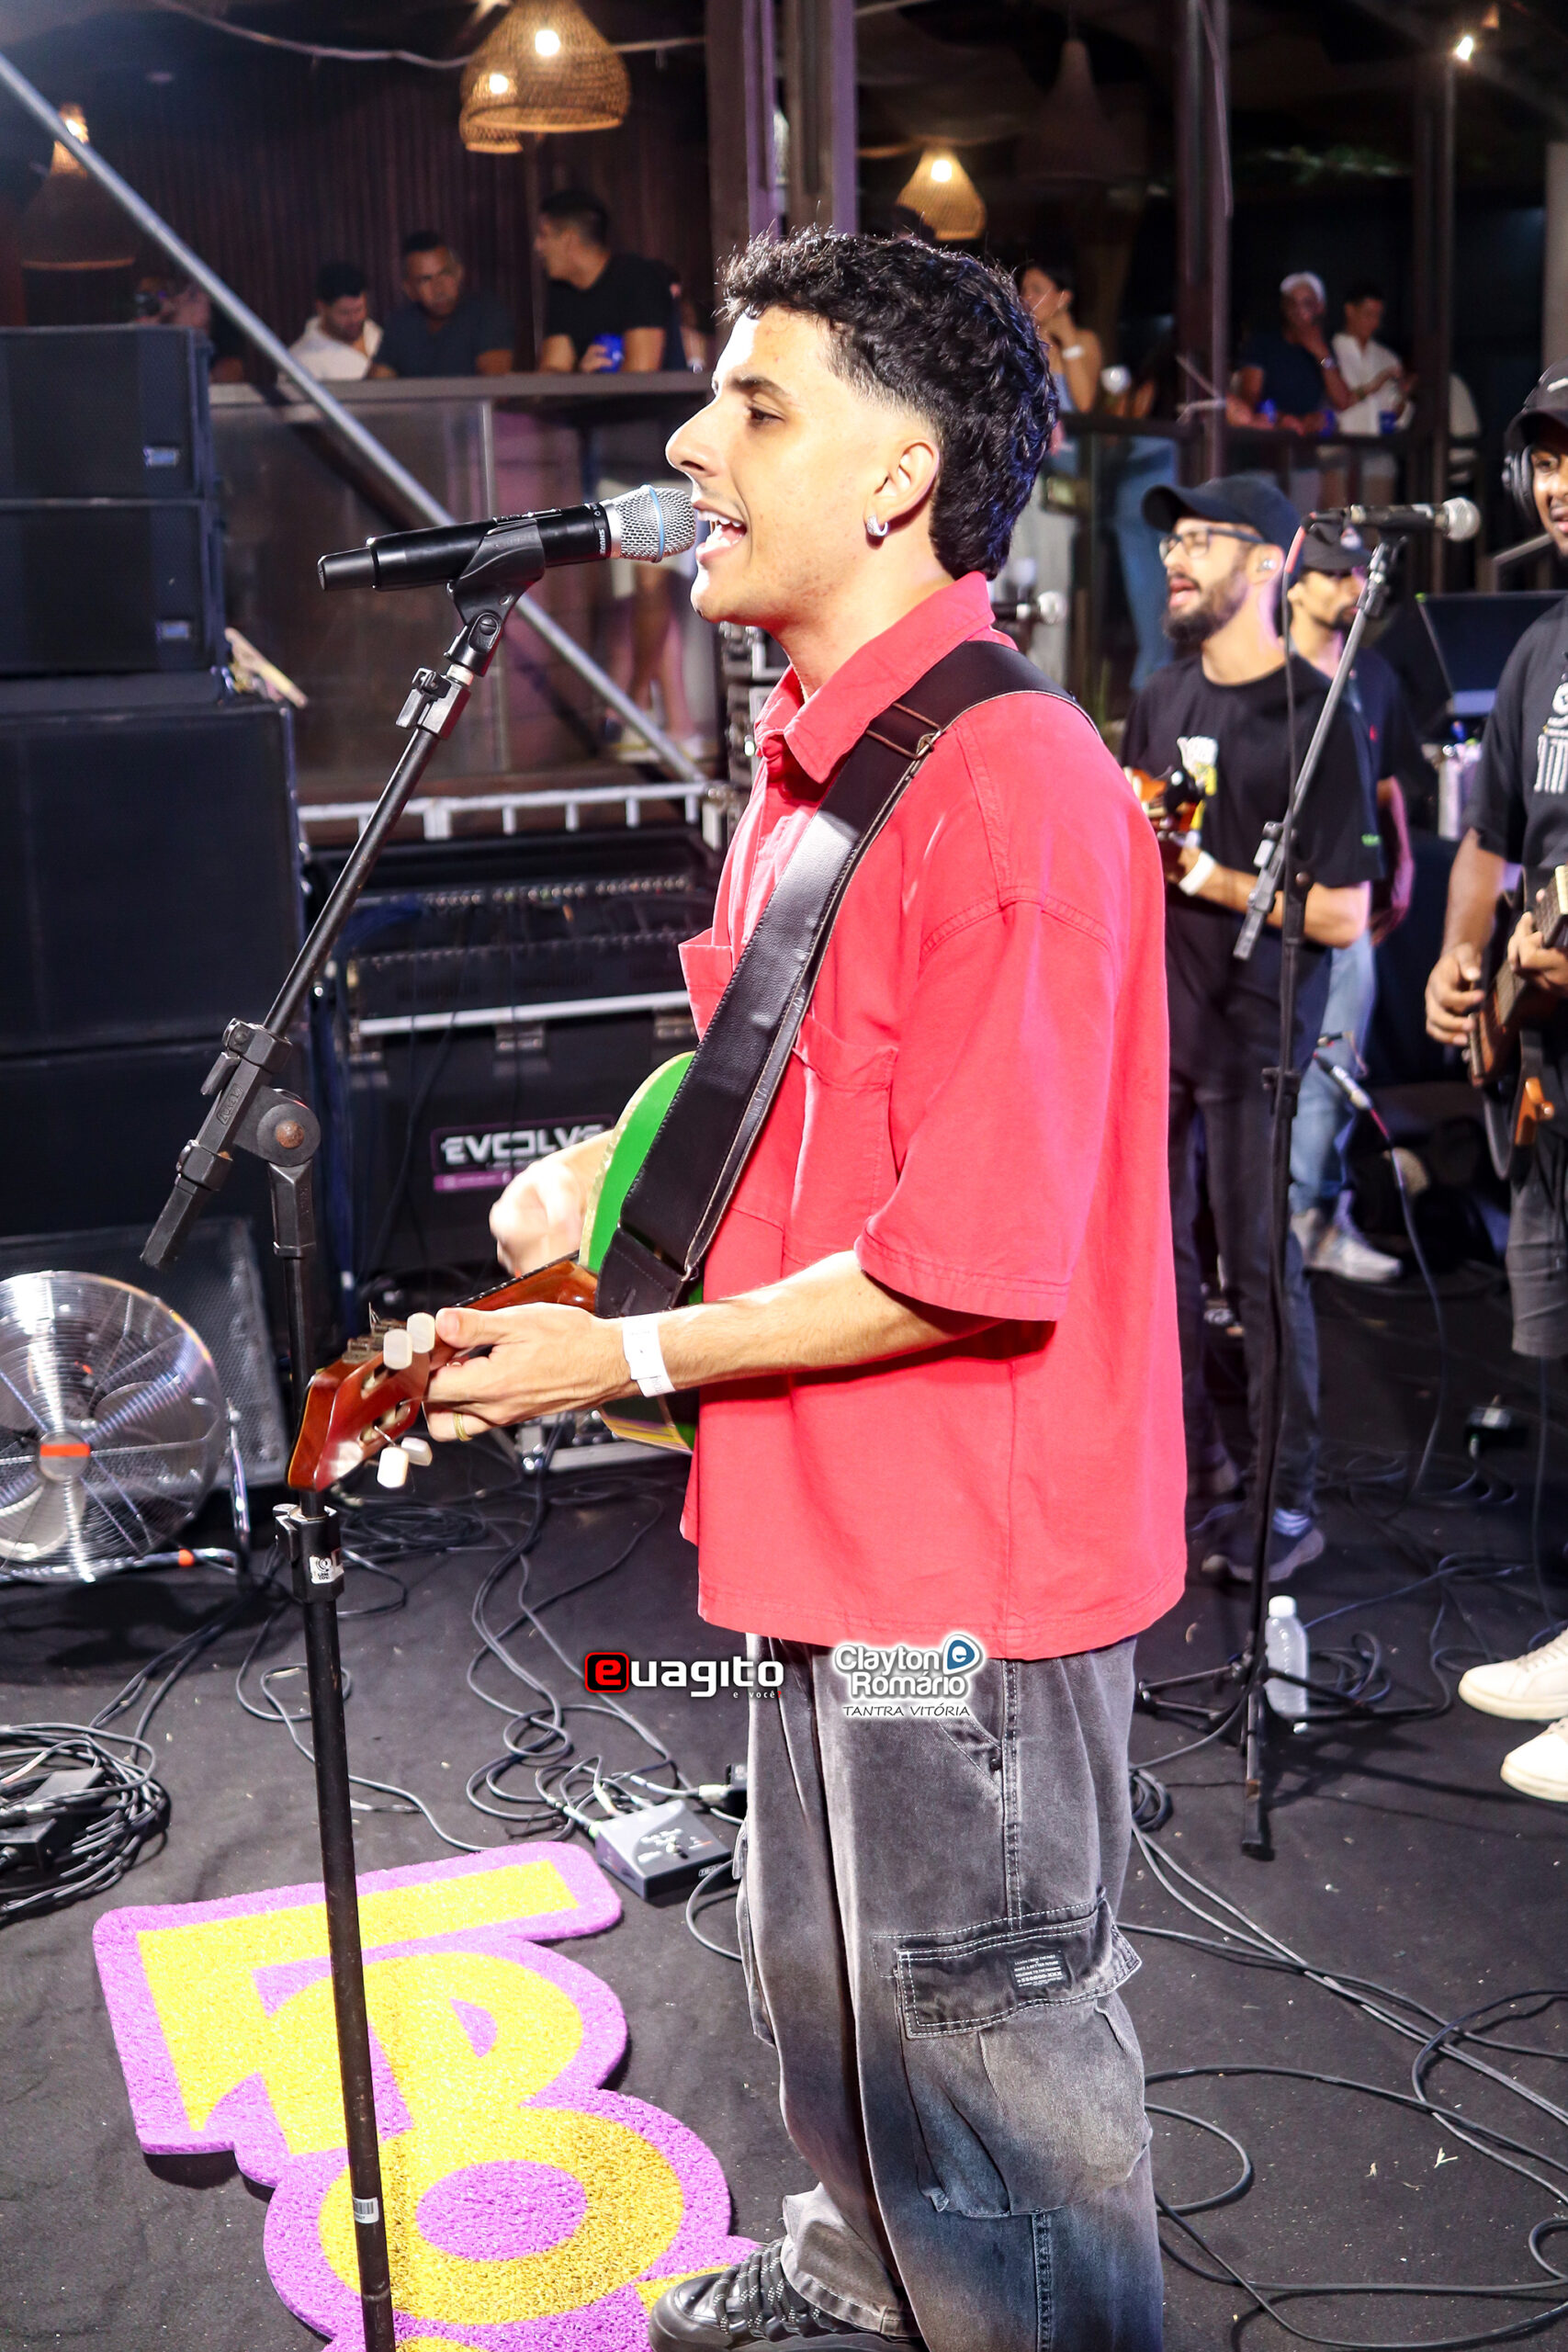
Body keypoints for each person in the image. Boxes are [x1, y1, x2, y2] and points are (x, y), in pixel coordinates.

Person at [424, 226, 1184, 2350]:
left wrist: (618, 1348)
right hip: (826, 1529)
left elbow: (968, 1264)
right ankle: (863, 2280)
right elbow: (790, 1085)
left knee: (978, 2027)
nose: (690, 445)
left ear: (895, 476)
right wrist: (610, 1177)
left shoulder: (1006, 785)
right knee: (825, 1973)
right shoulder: (830, 758)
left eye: (753, 406)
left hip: (962, 1576)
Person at [1122, 475, 1381, 1582]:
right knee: (1161, 1267)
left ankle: (1286, 1501)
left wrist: (1216, 880)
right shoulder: (1162, 695)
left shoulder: (1318, 715)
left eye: (1201, 539)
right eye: (1171, 540)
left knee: (1259, 1273)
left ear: (1269, 563)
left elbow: (1344, 913)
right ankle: (1197, 1465)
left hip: (1258, 1036)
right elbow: (1159, 834)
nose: (1175, 556)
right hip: (1163, 1028)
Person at [1427, 364, 1568, 1805]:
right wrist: (1461, 961)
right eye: (1542, 457)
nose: (1554, 481)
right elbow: (1491, 837)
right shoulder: (1536, 648)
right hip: (1546, 1073)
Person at [1284, 525, 1419, 1283]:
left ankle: (1316, 1223)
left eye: (1357, 573)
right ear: (1296, 583)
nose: (1351, 588)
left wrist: (1401, 864)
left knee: (1336, 1066)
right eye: (1335, 574)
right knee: (1269, 1070)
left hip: (1349, 904)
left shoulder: (1372, 673)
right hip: (1279, 902)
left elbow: (1387, 779)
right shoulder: (1266, 673)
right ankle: (1259, 1233)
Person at [535, 187, 695, 756]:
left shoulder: (638, 278)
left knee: (651, 586)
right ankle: (659, 721)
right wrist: (579, 372)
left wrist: (585, 376)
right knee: (628, 597)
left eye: (543, 236)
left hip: (663, 452)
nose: (538, 248)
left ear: (569, 238)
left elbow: (644, 367)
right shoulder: (561, 293)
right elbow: (551, 372)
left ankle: (631, 701)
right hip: (605, 456)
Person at [997, 257, 1098, 684]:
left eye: (1037, 289)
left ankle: (1047, 683)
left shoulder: (1084, 342)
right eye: (1023, 288)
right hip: (1019, 479)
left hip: (1060, 485)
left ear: (1063, 296)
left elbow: (1086, 402)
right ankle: (1006, 679)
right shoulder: (1013, 341)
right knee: (1010, 582)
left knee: (1052, 583)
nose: (1027, 297)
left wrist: (1066, 339)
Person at [371, 231, 513, 378]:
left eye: (445, 274)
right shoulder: (399, 324)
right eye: (426, 280)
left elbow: (493, 383)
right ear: (409, 290)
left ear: (459, 273)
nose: (439, 289)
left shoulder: (487, 314)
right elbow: (376, 385)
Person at [1331, 281, 1410, 502]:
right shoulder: (1332, 352)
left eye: (1378, 316)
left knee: (1377, 518)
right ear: (1350, 310)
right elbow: (1335, 402)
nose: (1374, 322)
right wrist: (1375, 384)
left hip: (1378, 456)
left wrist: (1403, 396)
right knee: (1338, 517)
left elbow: (1397, 414)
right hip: (1339, 455)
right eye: (1368, 314)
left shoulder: (1388, 358)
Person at [288, 260, 381, 380]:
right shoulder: (299, 363)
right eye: (344, 313)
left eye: (359, 309)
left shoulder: (374, 332)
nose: (354, 319)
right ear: (321, 308)